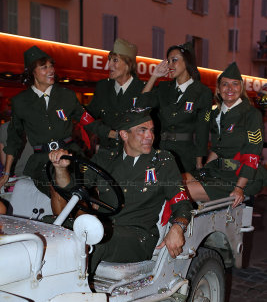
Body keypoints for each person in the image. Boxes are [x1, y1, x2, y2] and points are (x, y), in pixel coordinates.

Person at [49, 108, 193, 274]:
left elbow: (181, 203)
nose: (150, 136)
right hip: (103, 227)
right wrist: (60, 169)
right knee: (49, 227)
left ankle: (76, 292)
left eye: (152, 130)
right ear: (124, 135)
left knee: (93, 239)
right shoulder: (106, 158)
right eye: (142, 131)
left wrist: (178, 227)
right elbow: (71, 189)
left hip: (139, 237)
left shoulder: (163, 161)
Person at [0, 45, 93, 213]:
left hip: (71, 154)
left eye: (51, 65)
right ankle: (68, 232)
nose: (51, 70)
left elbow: (88, 121)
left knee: (78, 192)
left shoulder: (67, 95)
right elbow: (13, 139)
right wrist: (6, 173)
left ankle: (77, 233)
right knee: (56, 187)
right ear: (32, 72)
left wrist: (112, 133)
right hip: (41, 161)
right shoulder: (20, 101)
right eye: (44, 67)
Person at [183, 62, 267, 208]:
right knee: (179, 180)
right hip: (220, 171)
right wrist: (204, 170)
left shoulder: (251, 114)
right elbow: (216, 149)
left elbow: (252, 154)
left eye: (235, 84)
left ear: (241, 88)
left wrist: (239, 188)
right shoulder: (216, 114)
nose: (230, 89)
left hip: (243, 176)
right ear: (219, 88)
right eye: (225, 84)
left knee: (182, 191)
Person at [137, 42, 213, 173]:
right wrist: (154, 76)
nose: (170, 65)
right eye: (168, 61)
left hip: (185, 155)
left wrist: (199, 162)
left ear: (187, 62)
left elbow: (202, 129)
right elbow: (140, 105)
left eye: (174, 60)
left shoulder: (202, 92)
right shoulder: (164, 88)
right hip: (160, 150)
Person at [85, 38, 146, 156]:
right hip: (106, 155)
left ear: (128, 65)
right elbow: (87, 117)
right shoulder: (103, 87)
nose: (109, 65)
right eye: (109, 60)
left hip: (132, 156)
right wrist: (107, 132)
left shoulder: (142, 89)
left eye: (115, 60)